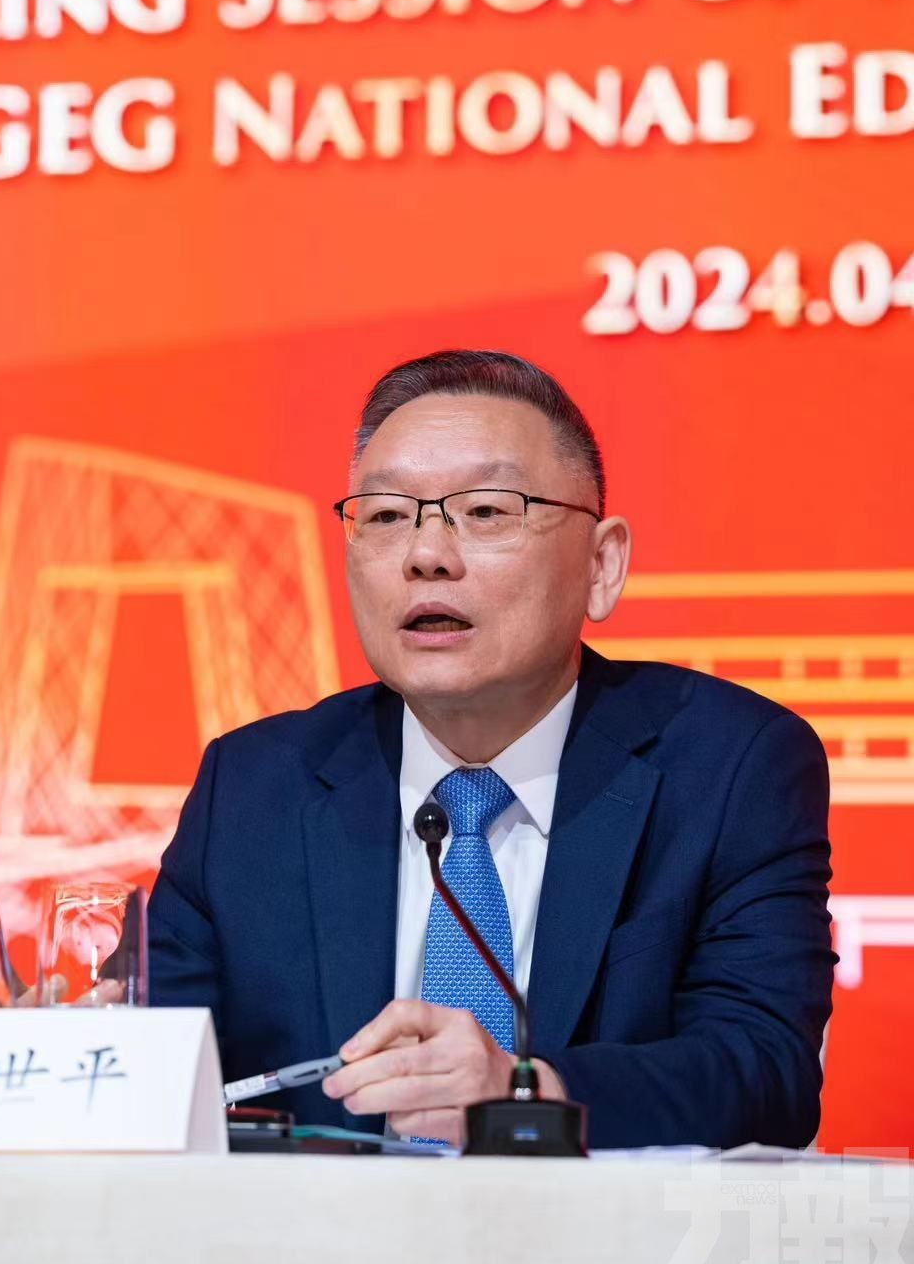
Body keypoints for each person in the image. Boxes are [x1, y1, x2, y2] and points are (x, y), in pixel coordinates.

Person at [147, 350, 835, 1149]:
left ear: (602, 565)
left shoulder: (729, 766)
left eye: (485, 511)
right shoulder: (254, 787)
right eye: (386, 516)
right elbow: (159, 1071)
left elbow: (766, 1072)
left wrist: (523, 1095)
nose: (426, 555)